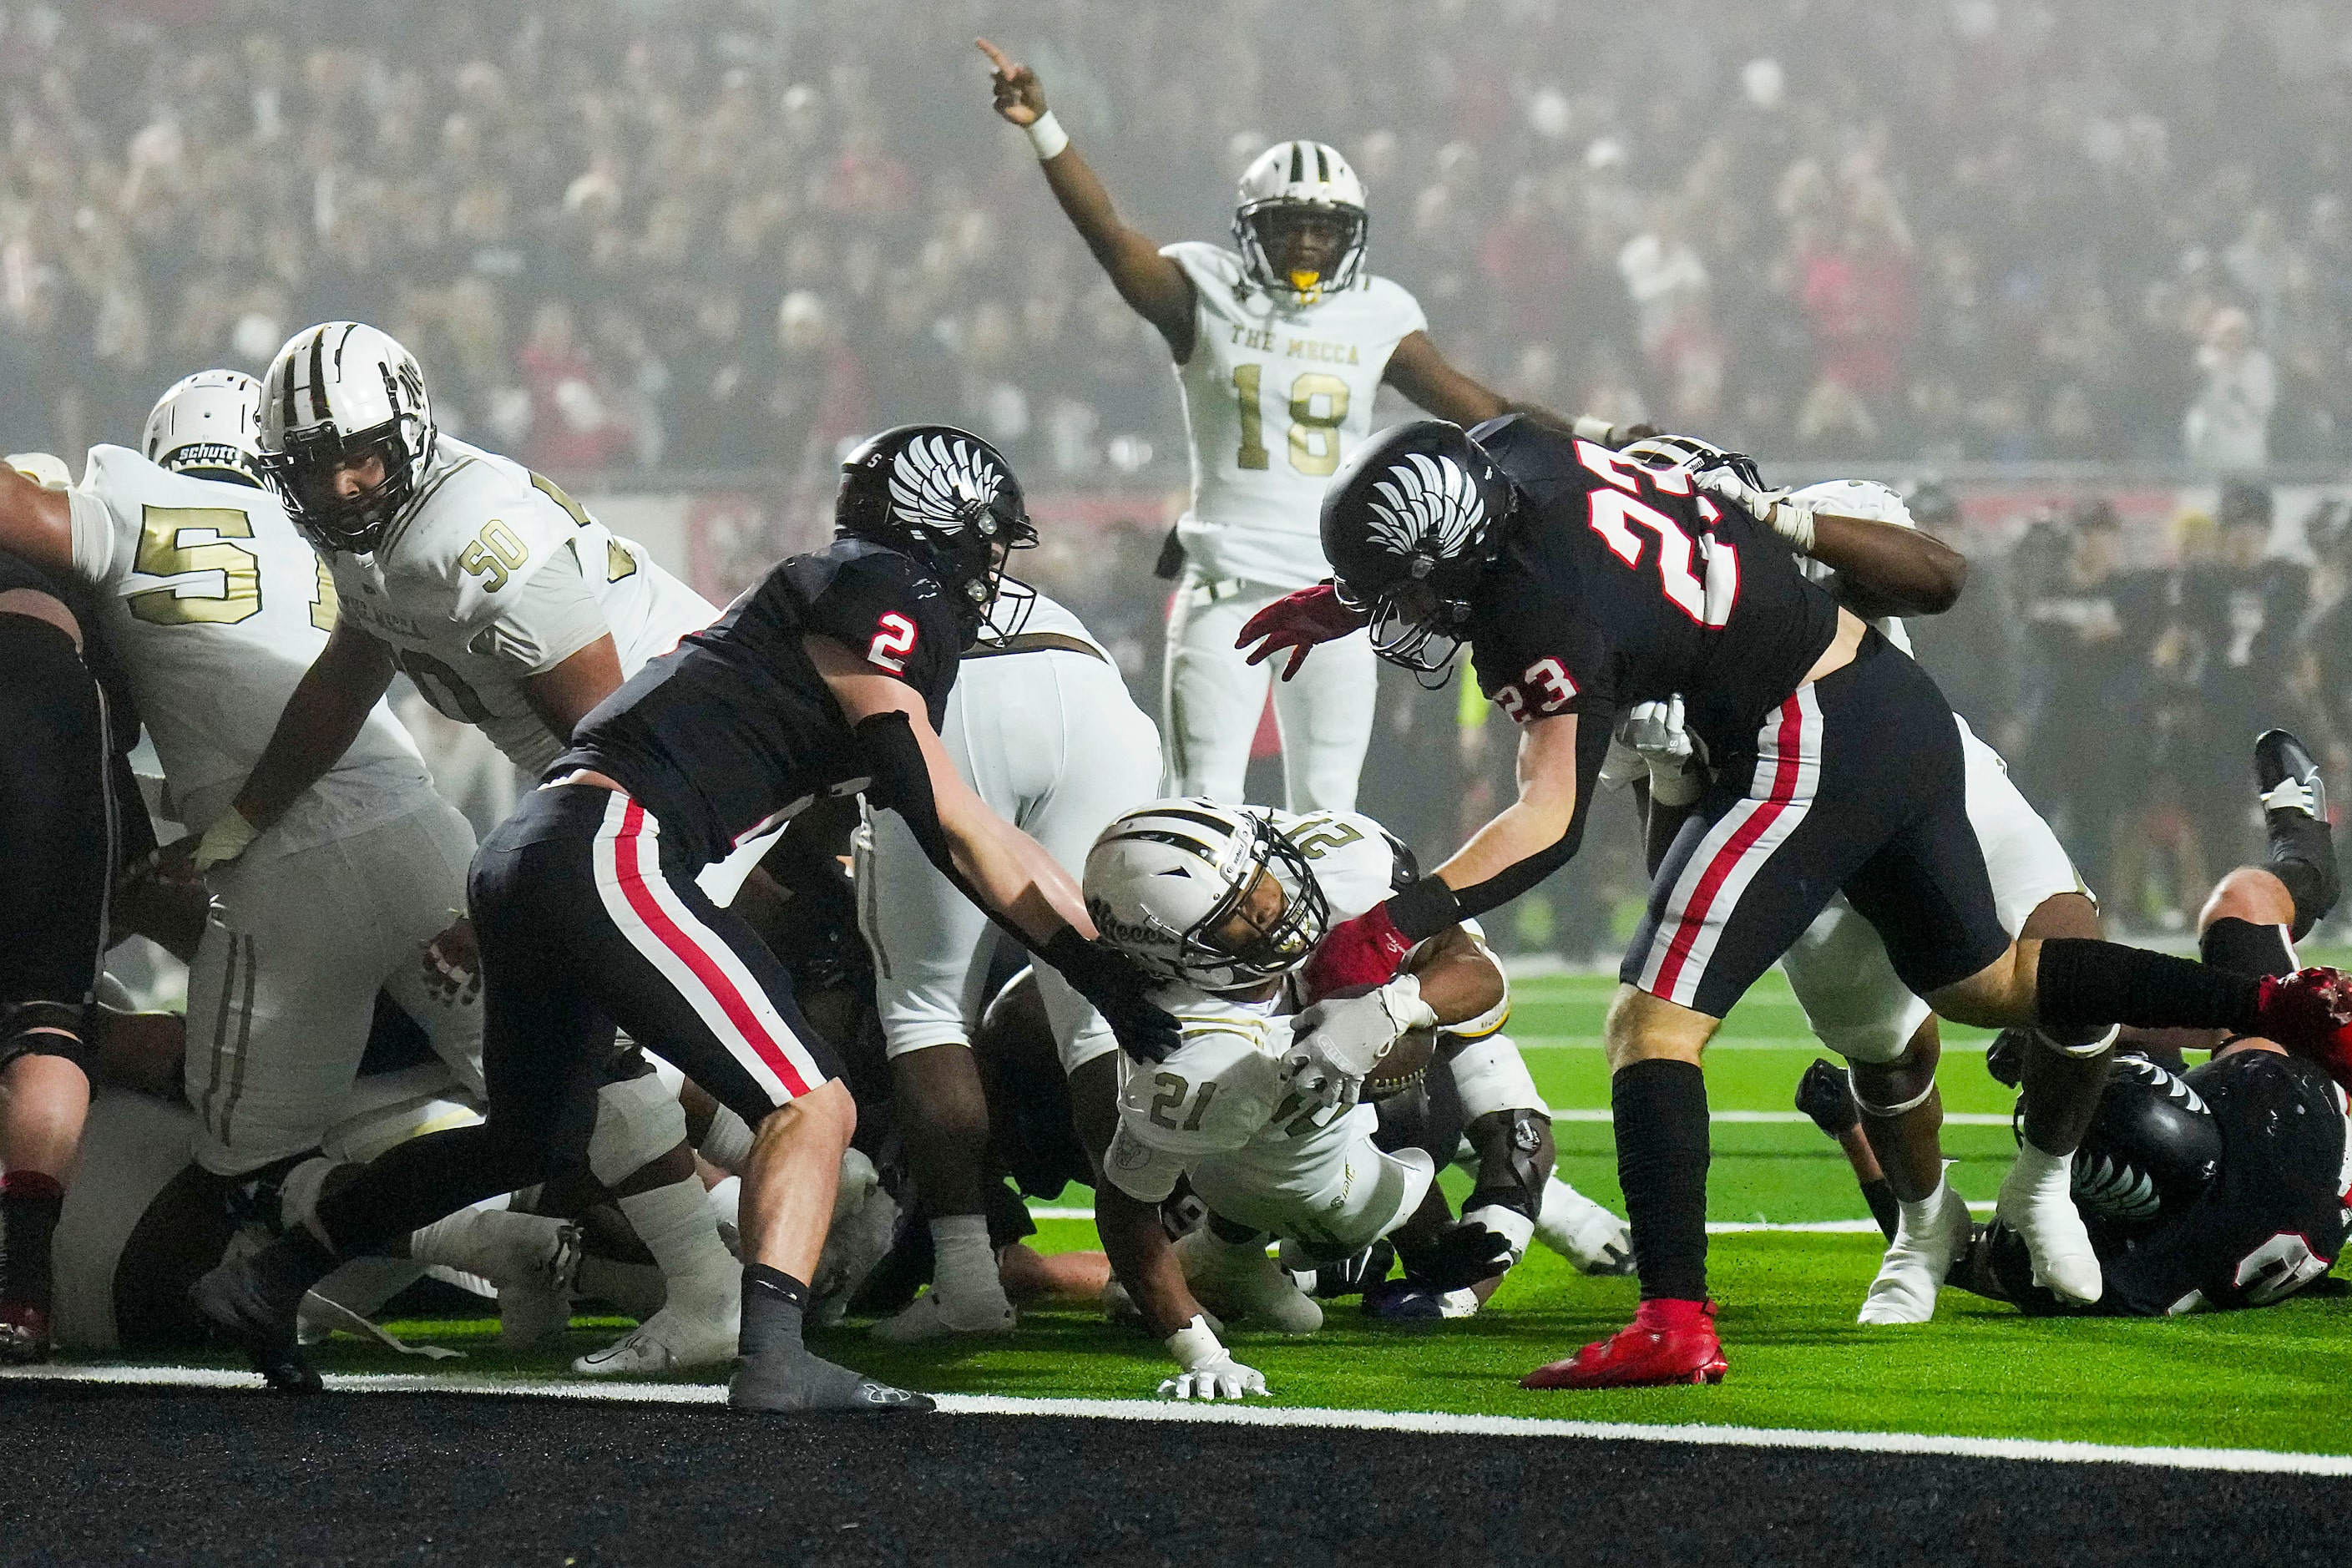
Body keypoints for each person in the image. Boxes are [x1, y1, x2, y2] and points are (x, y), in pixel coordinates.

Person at [1238, 415, 2352, 1388]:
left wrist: (1396, 920)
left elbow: (1546, 822)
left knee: (1650, 1025)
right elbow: (1480, 437)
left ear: (1460, 548)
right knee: (1989, 982)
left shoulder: (1540, 612)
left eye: (1408, 590)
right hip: (1881, 703)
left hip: (1799, 737)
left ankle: (1673, 1319)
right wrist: (1349, 592)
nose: (1409, 618)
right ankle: (2283, 1009)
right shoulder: (1528, 454)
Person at [193, 424, 1177, 1415]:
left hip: (532, 849)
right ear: (945, 530)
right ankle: (776, 1359)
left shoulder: (818, 593)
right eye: (985, 541)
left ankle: (268, 1277)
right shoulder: (885, 588)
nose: (989, 569)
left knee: (529, 1141)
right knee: (812, 1105)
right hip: (613, 845)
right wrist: (1098, 970)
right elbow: (952, 818)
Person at [196, 324, 737, 1376]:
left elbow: (608, 735)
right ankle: (729, 1270)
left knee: (674, 1047)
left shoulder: (472, 534)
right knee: (558, 1088)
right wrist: (245, 818)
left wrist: (512, 909)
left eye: (360, 453)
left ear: (410, 426)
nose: (345, 483)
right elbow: (351, 674)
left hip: (688, 781)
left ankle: (805, 1246)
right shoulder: (381, 535)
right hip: (617, 785)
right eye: (314, 463)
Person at [978, 38, 1573, 814]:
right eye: (1288, 225)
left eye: (1322, 229)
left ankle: (1320, 941)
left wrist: (1598, 435)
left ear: (1349, 235)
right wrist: (1044, 129)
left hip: (1341, 590)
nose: (1304, 243)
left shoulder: (1377, 315)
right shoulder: (1206, 289)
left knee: (1328, 804)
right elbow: (1109, 237)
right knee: (1203, 801)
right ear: (1250, 230)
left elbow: (1483, 409)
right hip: (1224, 582)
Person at [1599, 463, 2125, 1323]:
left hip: (1925, 773)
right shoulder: (1639, 643)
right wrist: (1665, 773)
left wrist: (1784, 524)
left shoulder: (1808, 521)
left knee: (2077, 963)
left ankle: (2042, 1185)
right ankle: (1923, 1226)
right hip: (1801, 840)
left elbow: (1936, 577)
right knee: (1890, 1057)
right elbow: (1677, 874)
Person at [0, 373, 483, 1203]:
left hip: (281, 868)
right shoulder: (338, 538)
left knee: (244, 1155)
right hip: (420, 827)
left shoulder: (127, 502)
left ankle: (472, 1235)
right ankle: (710, 1231)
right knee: (589, 1081)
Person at [1081, 798, 1564, 1399]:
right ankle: (1229, 1252)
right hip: (1234, 1168)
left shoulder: (1346, 876)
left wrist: (1394, 1007)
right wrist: (1194, 1347)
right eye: (1238, 918)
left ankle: (1311, 1251)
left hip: (1373, 1145)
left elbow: (1476, 976)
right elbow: (1126, 1202)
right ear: (1174, 953)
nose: (1270, 910)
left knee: (1418, 1078)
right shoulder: (1188, 1045)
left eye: (1259, 883)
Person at [854, 583, 1162, 1341]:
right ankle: (1143, 1273)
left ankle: (967, 1284)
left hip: (947, 702)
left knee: (926, 1011)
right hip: (1090, 695)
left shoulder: (850, 587)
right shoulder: (1028, 586)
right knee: (1097, 1017)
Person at [1956, 735, 2345, 1315]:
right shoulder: (2269, 1121)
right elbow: (2227, 1030)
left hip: (2264, 1196)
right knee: (2241, 903)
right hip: (2308, 1142)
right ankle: (2303, 840)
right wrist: (2107, 1029)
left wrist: (1854, 1134)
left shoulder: (2107, 1264)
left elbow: (1959, 1259)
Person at [0, 463, 144, 1363]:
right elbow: (112, 772)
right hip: (39, 693)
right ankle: (21, 1295)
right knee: (48, 1020)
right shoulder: (64, 590)